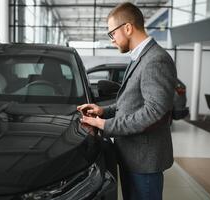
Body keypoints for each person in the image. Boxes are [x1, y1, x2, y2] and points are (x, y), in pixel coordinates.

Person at [77, 2, 177, 200]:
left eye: (112, 33)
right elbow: (131, 102)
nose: (112, 39)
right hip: (133, 157)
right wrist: (103, 111)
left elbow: (154, 112)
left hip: (145, 161)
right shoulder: (139, 58)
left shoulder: (156, 59)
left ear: (128, 28)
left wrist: (105, 124)